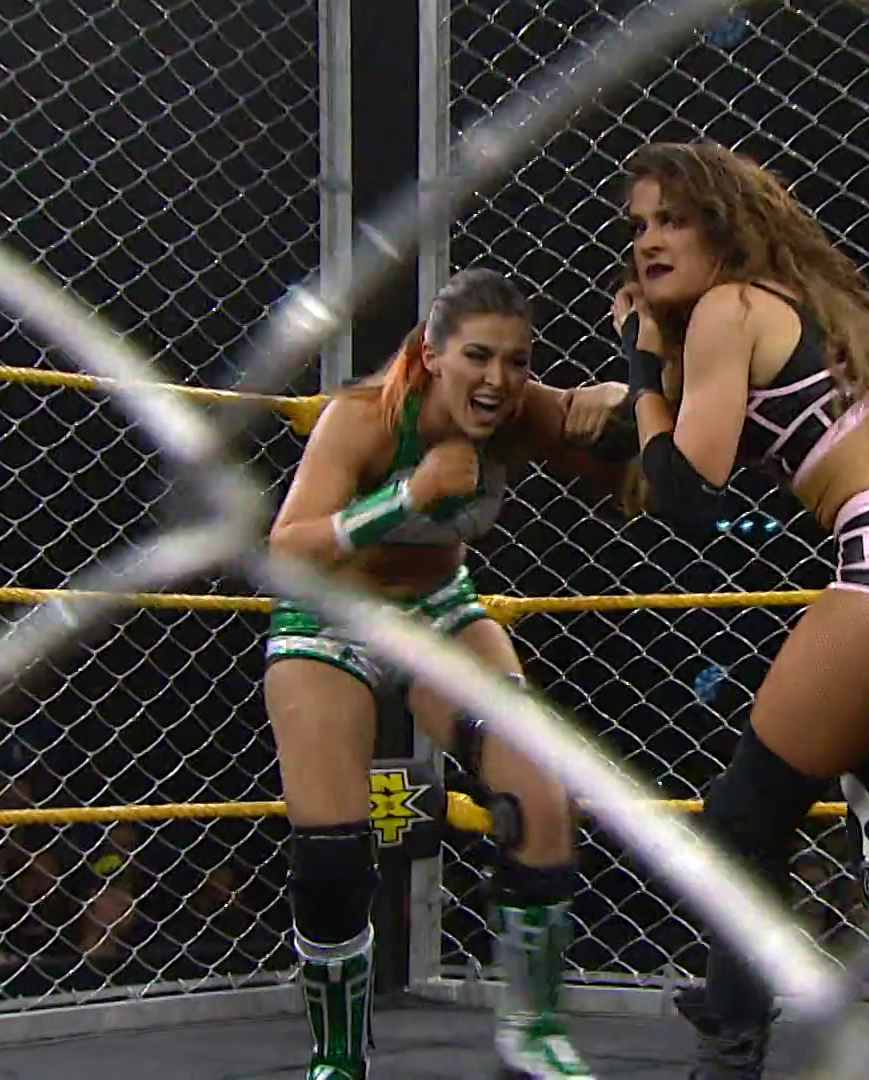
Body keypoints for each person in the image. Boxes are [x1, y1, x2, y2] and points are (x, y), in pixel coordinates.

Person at [607, 141, 869, 1080]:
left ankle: (731, 1043)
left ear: (724, 226)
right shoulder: (810, 310)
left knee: (743, 820)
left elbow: (687, 491)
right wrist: (649, 386)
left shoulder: (730, 308)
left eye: (673, 220)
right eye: (638, 226)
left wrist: (640, 365)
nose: (649, 241)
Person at [264, 267, 638, 1080]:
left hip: (439, 611)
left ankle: (532, 1037)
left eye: (517, 361)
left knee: (540, 791)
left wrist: (630, 400)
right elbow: (286, 546)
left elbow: (634, 474)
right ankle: (338, 1057)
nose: (498, 380)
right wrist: (408, 495)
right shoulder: (363, 418)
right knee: (331, 857)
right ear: (432, 356)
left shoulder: (523, 414)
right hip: (329, 618)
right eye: (477, 356)